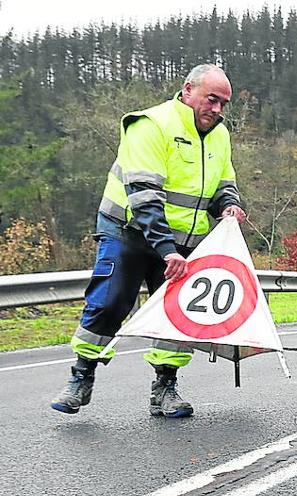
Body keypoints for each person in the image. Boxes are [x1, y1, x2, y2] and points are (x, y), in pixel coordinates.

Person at [51, 64, 247, 418]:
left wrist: (230, 205)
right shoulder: (151, 125)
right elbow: (144, 196)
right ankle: (81, 376)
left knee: (177, 316)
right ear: (188, 91)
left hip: (183, 240)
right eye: (211, 99)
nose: (217, 109)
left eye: (223, 103)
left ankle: (165, 388)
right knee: (110, 302)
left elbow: (223, 183)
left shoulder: (220, 135)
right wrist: (166, 250)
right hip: (128, 231)